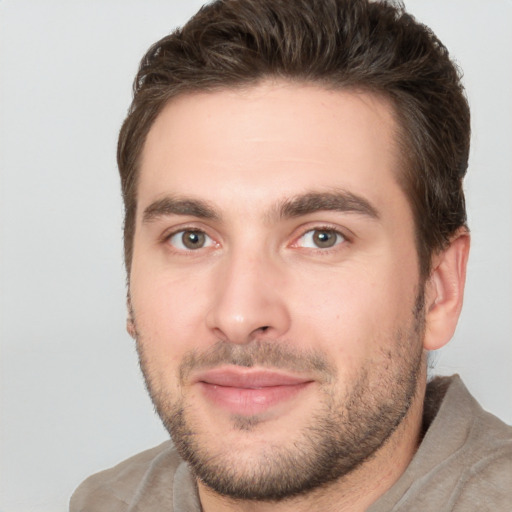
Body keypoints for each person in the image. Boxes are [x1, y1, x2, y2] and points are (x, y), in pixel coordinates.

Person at [70, 0, 512, 510]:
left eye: (322, 237)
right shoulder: (107, 502)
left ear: (439, 288)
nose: (239, 315)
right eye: (191, 237)